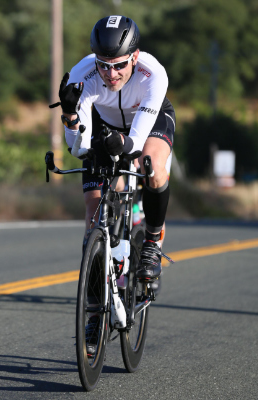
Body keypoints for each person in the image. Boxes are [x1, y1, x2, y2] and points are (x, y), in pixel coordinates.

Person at [55, 15, 175, 282]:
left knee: (152, 167)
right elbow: (78, 148)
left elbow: (135, 141)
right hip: (105, 123)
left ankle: (152, 245)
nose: (111, 75)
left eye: (119, 65)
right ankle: (96, 296)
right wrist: (70, 116)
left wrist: (123, 146)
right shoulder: (81, 76)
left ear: (135, 57)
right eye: (103, 66)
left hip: (149, 121)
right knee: (94, 204)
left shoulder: (153, 74)